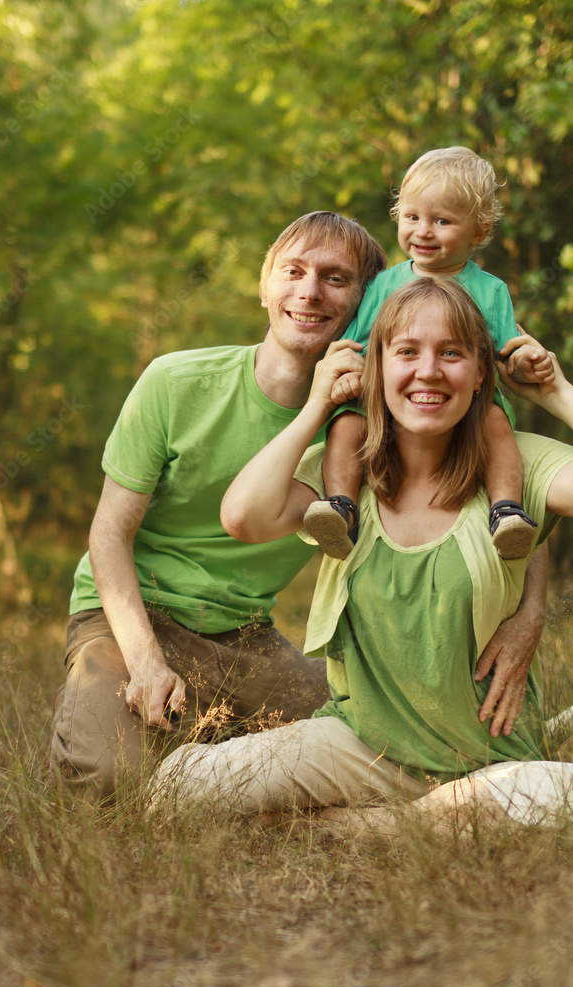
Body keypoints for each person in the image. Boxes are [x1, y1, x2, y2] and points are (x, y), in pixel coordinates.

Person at [150, 279, 573, 829]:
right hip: (359, 747)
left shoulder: (518, 468)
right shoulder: (345, 478)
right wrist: (315, 407)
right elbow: (243, 516)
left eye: (451, 353)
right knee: (179, 787)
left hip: (494, 761)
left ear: (478, 377)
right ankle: (430, 822)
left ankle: (371, 828)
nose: (428, 371)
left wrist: (557, 394)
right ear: (376, 370)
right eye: (406, 352)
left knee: (556, 793)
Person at [49, 211, 387, 799]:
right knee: (110, 784)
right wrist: (146, 662)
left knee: (374, 740)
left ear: (364, 302)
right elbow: (108, 535)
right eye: (294, 271)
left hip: (244, 636)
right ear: (265, 286)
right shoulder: (175, 382)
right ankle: (115, 716)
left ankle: (201, 737)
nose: (309, 291)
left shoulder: (358, 430)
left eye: (335, 279)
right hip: (128, 621)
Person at [303, 147, 554, 562]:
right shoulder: (384, 285)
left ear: (478, 231)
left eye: (441, 221)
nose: (423, 231)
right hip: (386, 403)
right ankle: (340, 507)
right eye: (412, 217)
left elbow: (508, 355)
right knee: (347, 421)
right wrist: (351, 374)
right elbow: (357, 345)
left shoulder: (491, 291)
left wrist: (528, 363)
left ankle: (506, 510)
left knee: (496, 421)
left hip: (467, 403)